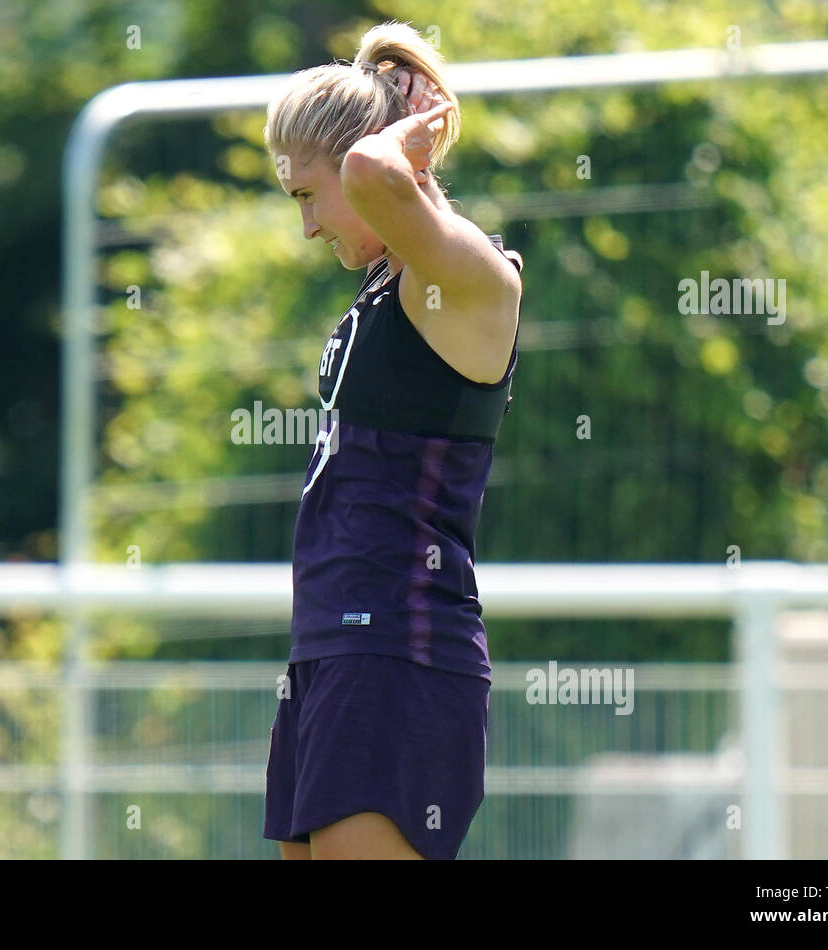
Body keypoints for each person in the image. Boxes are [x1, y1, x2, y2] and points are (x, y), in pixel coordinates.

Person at [261, 20, 524, 859]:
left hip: (397, 655)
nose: (306, 226)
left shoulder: (475, 278)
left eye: (307, 194)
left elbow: (375, 173)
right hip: (333, 650)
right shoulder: (390, 291)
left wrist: (410, 137)